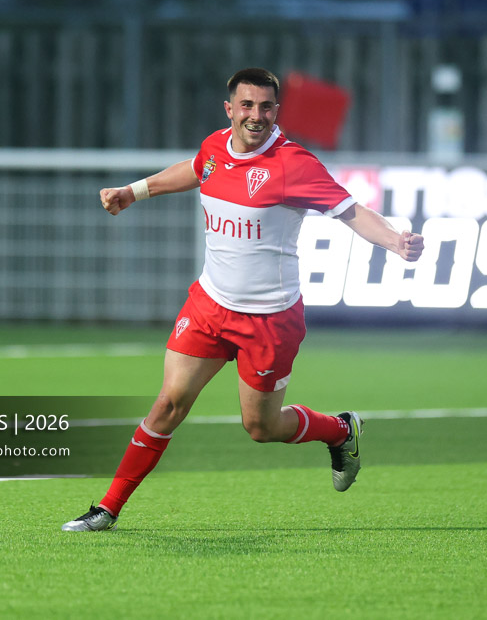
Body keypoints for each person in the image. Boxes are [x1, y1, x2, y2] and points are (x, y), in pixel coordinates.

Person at [63, 68, 424, 532]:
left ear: (276, 111)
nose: (257, 115)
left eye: (266, 107)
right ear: (229, 109)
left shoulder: (293, 164)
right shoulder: (215, 147)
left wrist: (395, 241)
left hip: (270, 320)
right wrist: (133, 192)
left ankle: (340, 430)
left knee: (261, 428)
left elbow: (350, 210)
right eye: (247, 105)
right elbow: (195, 169)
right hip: (209, 305)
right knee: (168, 405)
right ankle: (107, 509)